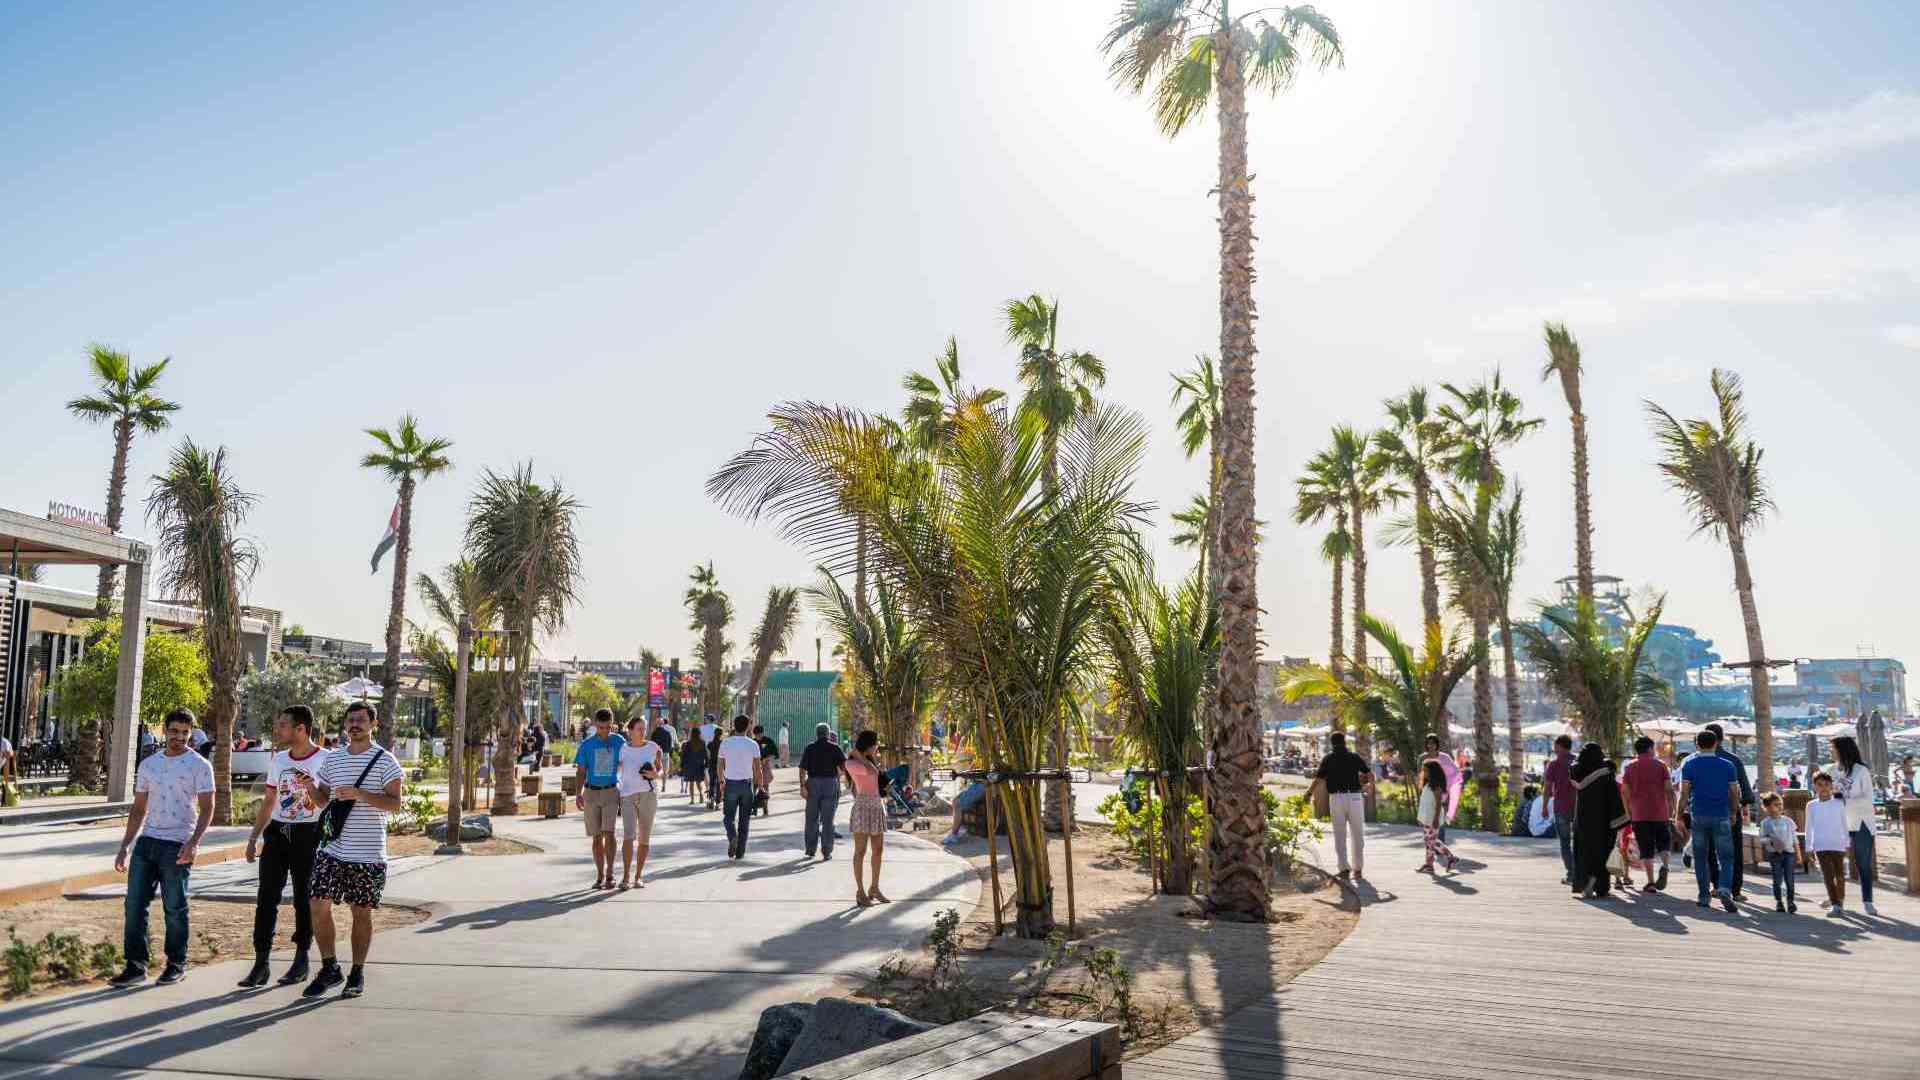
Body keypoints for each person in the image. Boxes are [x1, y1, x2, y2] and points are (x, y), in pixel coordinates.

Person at [302, 701, 403, 999]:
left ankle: (357, 972)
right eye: (350, 720)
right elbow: (324, 801)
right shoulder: (333, 759)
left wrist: (360, 794)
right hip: (332, 848)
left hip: (368, 851)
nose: (354, 724)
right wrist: (310, 787)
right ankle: (330, 967)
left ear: (373, 724)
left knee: (361, 913)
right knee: (317, 904)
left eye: (361, 719)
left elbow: (395, 804)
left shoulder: (385, 761)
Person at [108, 708, 215, 987]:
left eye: (185, 732)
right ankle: (135, 966)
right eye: (174, 731)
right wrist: (125, 846)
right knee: (134, 906)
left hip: (178, 844)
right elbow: (138, 809)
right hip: (147, 843)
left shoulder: (200, 765)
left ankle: (176, 964)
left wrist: (193, 843)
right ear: (164, 731)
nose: (179, 737)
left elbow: (208, 809)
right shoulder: (149, 765)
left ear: (190, 734)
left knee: (175, 907)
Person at [240, 704, 329, 988]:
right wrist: (254, 838)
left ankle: (301, 959)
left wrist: (310, 786)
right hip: (278, 832)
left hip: (308, 833)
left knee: (304, 898)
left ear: (300, 729)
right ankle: (261, 963)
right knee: (266, 897)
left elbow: (325, 802)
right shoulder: (278, 759)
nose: (277, 730)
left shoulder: (325, 759)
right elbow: (269, 801)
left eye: (283, 725)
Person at [1677, 728, 1741, 912]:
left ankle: (1704, 896)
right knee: (1726, 857)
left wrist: (1678, 815)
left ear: (1697, 744)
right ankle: (1724, 889)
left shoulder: (1689, 765)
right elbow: (1734, 792)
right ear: (1716, 744)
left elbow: (1684, 793)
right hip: (1721, 815)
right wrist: (1734, 812)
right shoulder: (1728, 765)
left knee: (1701, 857)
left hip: (1698, 815)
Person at [1308, 732, 1372, 885]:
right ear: (1344, 742)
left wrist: (1308, 793)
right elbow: (1369, 774)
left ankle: (1344, 869)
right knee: (1357, 834)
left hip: (1336, 798)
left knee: (1339, 834)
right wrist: (1370, 787)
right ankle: (1358, 869)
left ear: (1332, 743)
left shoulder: (1328, 758)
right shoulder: (1354, 757)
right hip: (1355, 797)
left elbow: (1319, 778)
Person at [574, 709, 626, 890]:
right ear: (596, 725)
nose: (604, 731)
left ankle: (610, 874)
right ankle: (600, 875)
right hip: (591, 793)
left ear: (612, 724)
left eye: (608, 727)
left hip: (611, 792)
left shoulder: (619, 741)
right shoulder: (587, 745)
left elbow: (628, 761)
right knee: (596, 837)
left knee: (609, 833)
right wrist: (578, 793)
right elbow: (581, 771)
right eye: (601, 727)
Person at [1568, 742, 1627, 899]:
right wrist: (1619, 820)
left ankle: (1583, 884)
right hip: (1602, 820)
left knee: (1583, 852)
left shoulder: (1575, 770)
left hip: (1582, 818)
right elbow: (1614, 798)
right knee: (1601, 853)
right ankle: (1597, 886)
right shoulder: (1606, 772)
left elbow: (1578, 786)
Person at [1702, 721, 1753, 900]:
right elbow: (1745, 788)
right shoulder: (1733, 760)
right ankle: (1736, 890)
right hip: (1730, 811)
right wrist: (1744, 805)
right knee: (1734, 851)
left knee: (1710, 850)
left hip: (1706, 811)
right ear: (1722, 738)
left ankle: (1716, 886)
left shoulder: (1695, 760)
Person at [1829, 734, 1879, 916]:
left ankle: (1867, 901)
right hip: (1839, 822)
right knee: (1836, 864)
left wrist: (1844, 800)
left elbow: (1868, 798)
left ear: (1842, 750)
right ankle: (1837, 902)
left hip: (1862, 822)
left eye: (1833, 748)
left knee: (1863, 864)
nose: (1830, 752)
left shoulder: (1861, 771)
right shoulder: (1831, 771)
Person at [1620, 736, 1673, 893]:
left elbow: (1624, 791)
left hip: (1639, 814)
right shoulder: (1661, 765)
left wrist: (1628, 812)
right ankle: (1665, 866)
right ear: (1650, 749)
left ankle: (1650, 882)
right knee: (1664, 843)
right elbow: (1669, 789)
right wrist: (1671, 809)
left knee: (1646, 848)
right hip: (1660, 813)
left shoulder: (1630, 767)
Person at [615, 716, 662, 889]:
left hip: (648, 795)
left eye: (644, 728)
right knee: (628, 836)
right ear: (630, 731)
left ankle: (638, 876)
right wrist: (618, 787)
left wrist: (657, 774)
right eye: (639, 729)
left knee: (644, 837)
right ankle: (626, 877)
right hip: (627, 796)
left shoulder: (653, 747)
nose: (643, 732)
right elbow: (617, 769)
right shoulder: (623, 749)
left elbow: (662, 768)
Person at [843, 730, 889, 905]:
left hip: (876, 806)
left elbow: (876, 774)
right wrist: (858, 755)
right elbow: (871, 772)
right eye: (875, 744)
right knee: (860, 851)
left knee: (878, 849)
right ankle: (860, 891)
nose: (877, 747)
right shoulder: (852, 763)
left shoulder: (869, 761)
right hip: (863, 806)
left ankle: (874, 888)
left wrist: (864, 756)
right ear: (868, 745)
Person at [717, 715, 766, 859]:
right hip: (747, 785)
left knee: (728, 818)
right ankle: (740, 852)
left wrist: (721, 781)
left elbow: (719, 765)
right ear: (748, 727)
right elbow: (758, 769)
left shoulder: (725, 743)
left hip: (730, 784)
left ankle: (733, 836)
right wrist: (761, 786)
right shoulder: (753, 744)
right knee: (745, 820)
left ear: (734, 725)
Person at [1805, 772, 1852, 915]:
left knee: (1840, 876)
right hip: (1820, 846)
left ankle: (1839, 901)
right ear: (1814, 787)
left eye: (1826, 784)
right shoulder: (1811, 805)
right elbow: (1809, 827)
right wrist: (1809, 847)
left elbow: (1844, 824)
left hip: (1838, 845)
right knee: (1828, 876)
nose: (1823, 788)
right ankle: (1835, 904)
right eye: (1819, 785)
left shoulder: (1838, 803)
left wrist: (1847, 843)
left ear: (1831, 786)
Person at [799, 723, 846, 860]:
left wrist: (802, 786)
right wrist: (838, 776)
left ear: (817, 733)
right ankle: (826, 851)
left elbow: (802, 769)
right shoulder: (835, 748)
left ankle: (810, 849)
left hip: (813, 783)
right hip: (830, 784)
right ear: (828, 734)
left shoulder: (810, 748)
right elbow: (844, 767)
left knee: (811, 818)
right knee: (828, 819)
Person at [1540, 735, 1576, 884]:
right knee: (1579, 841)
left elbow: (1547, 787)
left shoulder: (1554, 764)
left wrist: (1544, 807)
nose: (1554, 749)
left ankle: (1571, 874)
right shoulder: (1577, 762)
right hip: (1578, 807)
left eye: (1555, 746)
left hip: (1561, 807)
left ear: (1560, 746)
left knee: (1565, 842)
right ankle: (1580, 872)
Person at [1756, 792, 1797, 914]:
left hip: (1789, 853)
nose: (1779, 807)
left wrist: (1799, 854)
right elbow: (1761, 839)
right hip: (1775, 855)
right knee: (1777, 879)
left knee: (1790, 879)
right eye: (1776, 805)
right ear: (1767, 807)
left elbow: (1794, 838)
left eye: (1780, 804)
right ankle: (1779, 902)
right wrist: (1771, 840)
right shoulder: (1765, 823)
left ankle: (1790, 902)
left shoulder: (1788, 821)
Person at [1416, 759, 1459, 873]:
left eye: (1426, 771)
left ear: (1433, 772)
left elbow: (1439, 804)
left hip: (1433, 818)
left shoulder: (1436, 787)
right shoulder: (1427, 785)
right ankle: (1432, 864)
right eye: (1423, 771)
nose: (1424, 773)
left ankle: (1447, 859)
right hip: (1426, 818)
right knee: (1429, 841)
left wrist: (1435, 819)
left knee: (1432, 841)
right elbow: (1425, 803)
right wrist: (1420, 818)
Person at [753, 724, 780, 816]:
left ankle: (765, 808)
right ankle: (754, 807)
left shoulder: (768, 741)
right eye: (756, 735)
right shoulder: (753, 742)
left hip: (765, 766)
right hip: (754, 767)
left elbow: (776, 754)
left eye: (759, 734)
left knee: (765, 787)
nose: (758, 736)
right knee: (754, 787)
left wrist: (766, 759)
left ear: (762, 733)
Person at [681, 729, 708, 804]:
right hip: (699, 765)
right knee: (698, 782)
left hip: (690, 765)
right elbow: (705, 754)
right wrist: (706, 763)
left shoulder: (688, 743)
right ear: (699, 734)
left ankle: (692, 800)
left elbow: (684, 755)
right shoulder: (702, 743)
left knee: (691, 783)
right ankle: (701, 795)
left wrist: (682, 764)